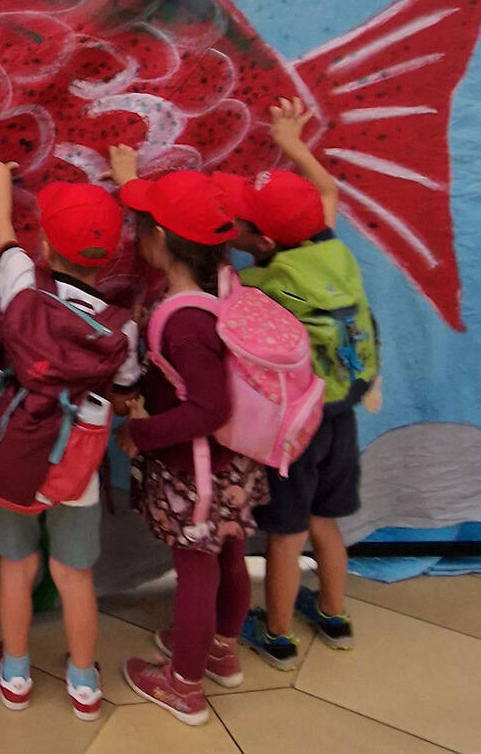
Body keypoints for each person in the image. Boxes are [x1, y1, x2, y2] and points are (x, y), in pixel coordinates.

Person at [0, 155, 140, 720]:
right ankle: (83, 683)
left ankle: (16, 672)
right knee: (75, 575)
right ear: (112, 253)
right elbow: (123, 391)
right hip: (77, 465)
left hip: (13, 451)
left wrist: (1, 174)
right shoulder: (122, 328)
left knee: (16, 567)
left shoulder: (20, 280)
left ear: (45, 242)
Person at [215, 97, 379, 667]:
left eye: (240, 221)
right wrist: (292, 145)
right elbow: (328, 195)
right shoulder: (333, 250)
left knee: (285, 536)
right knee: (325, 522)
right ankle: (333, 614)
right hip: (345, 415)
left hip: (298, 427)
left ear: (260, 243)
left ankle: (277, 633)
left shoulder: (264, 281)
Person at [109, 153, 267, 726]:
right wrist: (132, 181)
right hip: (233, 463)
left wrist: (141, 432)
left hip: (193, 470)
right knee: (227, 552)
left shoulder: (183, 322)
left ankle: (184, 684)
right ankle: (219, 649)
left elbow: (209, 406)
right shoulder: (225, 282)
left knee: (196, 567)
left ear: (158, 240)